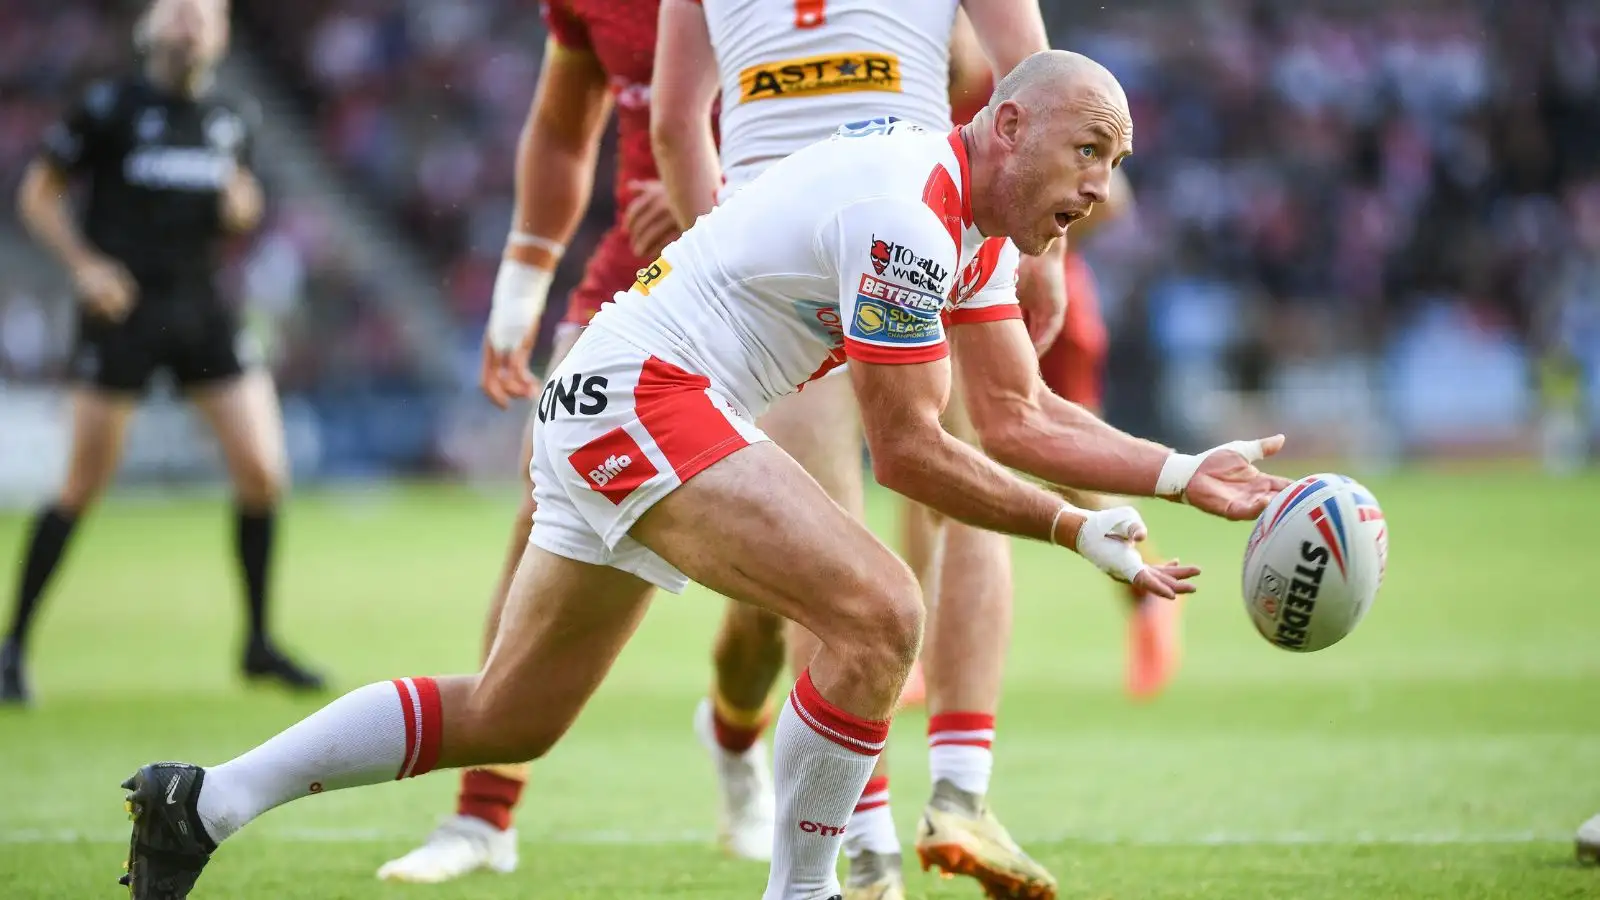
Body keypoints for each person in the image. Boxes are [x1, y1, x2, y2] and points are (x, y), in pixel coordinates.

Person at [118, 51, 1290, 900]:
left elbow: (1018, 413)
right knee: (880, 610)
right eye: (1088, 151)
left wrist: (1184, 473)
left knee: (510, 716)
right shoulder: (905, 220)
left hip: (622, 398)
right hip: (640, 397)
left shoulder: (970, 229)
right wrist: (1080, 534)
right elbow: (914, 451)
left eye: (1116, 162)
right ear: (1006, 126)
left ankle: (198, 805)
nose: (1099, 187)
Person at [649, 2, 1068, 895]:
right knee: (861, 542)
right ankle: (912, 811)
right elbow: (676, 120)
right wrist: (713, 259)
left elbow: (677, 120)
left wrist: (1048, 251)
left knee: (889, 524)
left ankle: (915, 822)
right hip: (848, 247)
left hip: (870, 242)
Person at [372, 0, 697, 883]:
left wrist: (724, 188)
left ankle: (745, 737)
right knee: (544, 494)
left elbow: (876, 104)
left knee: (769, 613)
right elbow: (562, 126)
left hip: (782, 283)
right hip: (637, 279)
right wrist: (521, 288)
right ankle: (484, 816)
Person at [1, 0, 322, 706]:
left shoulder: (233, 116)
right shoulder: (109, 106)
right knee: (82, 484)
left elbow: (241, 205)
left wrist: (245, 209)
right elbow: (39, 196)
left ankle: (259, 643)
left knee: (263, 474)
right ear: (150, 27)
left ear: (222, 33)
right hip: (122, 312)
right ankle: (14, 645)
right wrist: (84, 267)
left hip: (202, 309)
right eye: (178, 11)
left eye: (204, 14)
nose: (191, 22)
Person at [950, 48, 1185, 701]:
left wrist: (1030, 252)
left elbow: (1114, 201)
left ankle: (1149, 585)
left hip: (1036, 303)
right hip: (966, 295)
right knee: (951, 448)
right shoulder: (930, 96)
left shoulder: (1020, 90)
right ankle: (927, 649)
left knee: (1065, 467)